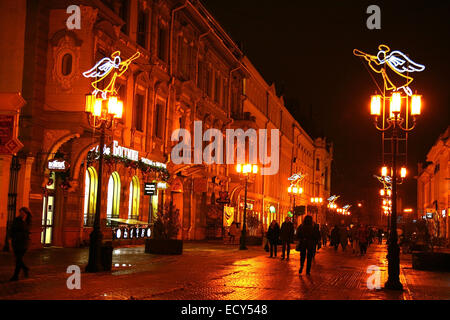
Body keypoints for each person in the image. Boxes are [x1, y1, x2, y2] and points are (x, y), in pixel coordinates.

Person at [9, 207, 32, 281]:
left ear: (26, 213)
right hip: (16, 242)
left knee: (18, 259)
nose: (21, 214)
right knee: (18, 259)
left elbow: (27, 230)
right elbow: (12, 229)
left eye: (22, 212)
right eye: (20, 212)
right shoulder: (16, 220)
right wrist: (10, 238)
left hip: (24, 243)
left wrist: (23, 221)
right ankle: (24, 268)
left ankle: (15, 276)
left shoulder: (28, 221)